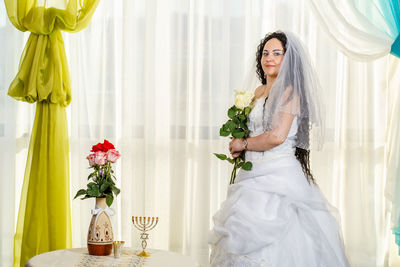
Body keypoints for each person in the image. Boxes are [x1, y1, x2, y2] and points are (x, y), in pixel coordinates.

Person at [209, 31, 350, 267]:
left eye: (276, 53)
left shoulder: (290, 92)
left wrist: (242, 144)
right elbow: (251, 129)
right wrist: (238, 138)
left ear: (288, 59)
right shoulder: (258, 92)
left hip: (279, 175)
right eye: (265, 53)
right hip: (251, 175)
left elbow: (277, 136)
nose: (269, 58)